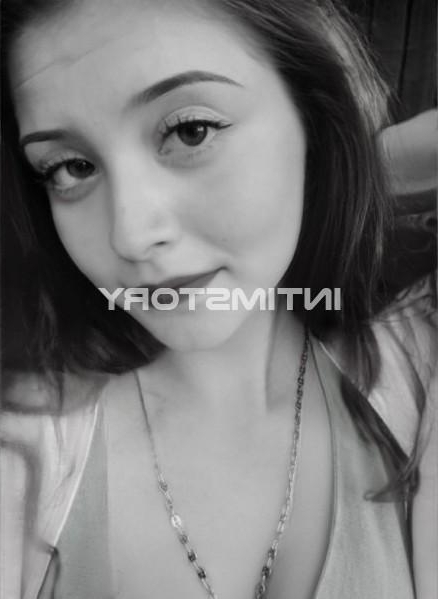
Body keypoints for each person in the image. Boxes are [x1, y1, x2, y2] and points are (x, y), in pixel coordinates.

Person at [0, 1, 436, 598]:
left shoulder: (416, 368)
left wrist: (363, 161)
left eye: (191, 131)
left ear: (314, 118)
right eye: (71, 168)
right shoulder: (21, 453)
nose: (130, 234)